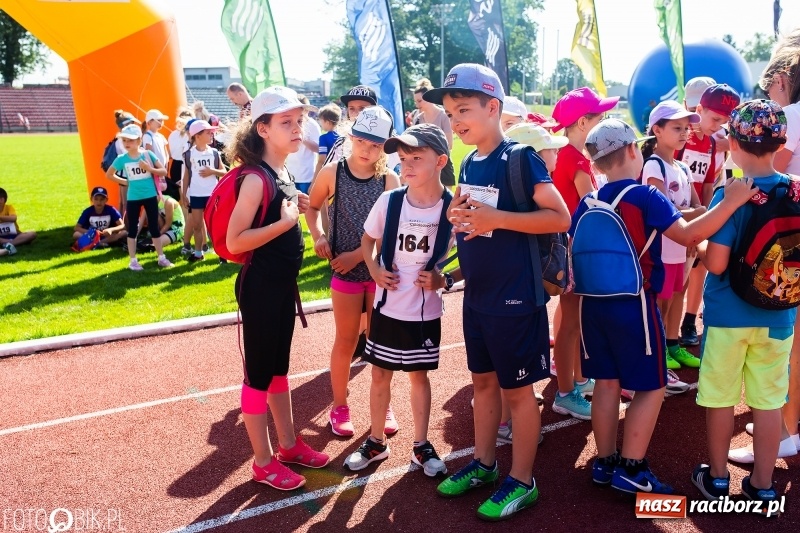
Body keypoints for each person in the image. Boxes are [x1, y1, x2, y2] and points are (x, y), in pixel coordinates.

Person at [573, 118, 756, 495]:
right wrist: (733, 201)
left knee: (606, 384)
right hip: (635, 305)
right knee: (653, 386)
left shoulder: (589, 200)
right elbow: (689, 235)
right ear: (629, 151)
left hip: (593, 305)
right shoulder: (644, 195)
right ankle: (633, 468)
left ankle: (605, 463)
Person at [426, 63, 571, 521]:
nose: (456, 121)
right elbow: (481, 225)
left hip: (516, 299)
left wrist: (498, 220)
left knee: (518, 393)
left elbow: (560, 217)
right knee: (483, 384)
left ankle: (522, 481)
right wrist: (461, 217)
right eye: (450, 113)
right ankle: (485, 465)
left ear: (494, 107)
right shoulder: (470, 162)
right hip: (480, 297)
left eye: (464, 109)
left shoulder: (520, 158)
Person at [691, 100, 795, 508]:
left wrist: (700, 242)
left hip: (728, 316)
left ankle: (717, 480)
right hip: (779, 316)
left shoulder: (732, 193)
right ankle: (763, 484)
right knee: (768, 402)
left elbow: (716, 261)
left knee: (719, 397)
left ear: (733, 142)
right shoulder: (797, 188)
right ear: (779, 142)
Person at [224, 86, 329, 490]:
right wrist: (285, 224)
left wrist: (294, 206)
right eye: (286, 122)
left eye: (299, 120)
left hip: (282, 288)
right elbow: (235, 242)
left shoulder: (281, 171)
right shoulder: (255, 178)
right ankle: (263, 462)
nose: (297, 128)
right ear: (263, 128)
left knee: (279, 371)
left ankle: (288, 445)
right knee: (258, 376)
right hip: (261, 291)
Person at [344, 123, 451, 476]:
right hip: (387, 309)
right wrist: (373, 269)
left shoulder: (452, 208)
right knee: (380, 376)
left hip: (424, 313)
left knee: (419, 377)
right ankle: (376, 442)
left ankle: (421, 446)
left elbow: (470, 253)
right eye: (403, 158)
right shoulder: (389, 200)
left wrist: (443, 278)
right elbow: (367, 240)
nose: (406, 165)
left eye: (416, 157)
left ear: (441, 162)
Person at [305, 106, 400, 438]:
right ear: (350, 137)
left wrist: (355, 256)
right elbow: (314, 207)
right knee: (345, 340)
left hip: (376, 273)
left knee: (378, 342)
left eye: (375, 144)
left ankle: (382, 404)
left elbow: (390, 233)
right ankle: (339, 405)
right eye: (361, 140)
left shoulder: (390, 180)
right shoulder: (333, 173)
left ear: (386, 146)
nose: (367, 149)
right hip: (344, 275)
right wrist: (317, 236)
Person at [549, 87, 618, 420]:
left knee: (574, 321)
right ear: (581, 123)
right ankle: (565, 392)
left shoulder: (569, 154)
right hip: (573, 249)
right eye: (599, 117)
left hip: (571, 246)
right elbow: (592, 205)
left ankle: (577, 379)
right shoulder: (575, 159)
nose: (603, 121)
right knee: (571, 324)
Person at [640, 100, 705, 371]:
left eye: (686, 128)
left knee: (678, 294)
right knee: (661, 302)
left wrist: (692, 221)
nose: (684, 133)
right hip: (661, 249)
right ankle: (656, 353)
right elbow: (663, 210)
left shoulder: (683, 167)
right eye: (677, 127)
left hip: (682, 246)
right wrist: (694, 212)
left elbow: (696, 207)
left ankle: (672, 345)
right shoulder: (653, 166)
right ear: (657, 130)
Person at [679, 80, 741, 348]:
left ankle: (688, 320)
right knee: (675, 276)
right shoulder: (680, 136)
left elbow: (706, 182)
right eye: (715, 119)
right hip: (676, 215)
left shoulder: (714, 143)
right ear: (698, 108)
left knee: (698, 266)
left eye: (723, 121)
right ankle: (666, 332)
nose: (718, 126)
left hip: (699, 213)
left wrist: (704, 219)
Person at [105, 124, 174, 270]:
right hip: (133, 198)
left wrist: (149, 168)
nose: (127, 143)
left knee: (154, 228)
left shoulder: (147, 155)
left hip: (150, 196)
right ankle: (133, 261)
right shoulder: (121, 159)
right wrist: (125, 182)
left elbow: (162, 171)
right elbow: (109, 174)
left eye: (130, 140)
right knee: (132, 229)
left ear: (139, 140)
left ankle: (161, 258)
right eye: (124, 140)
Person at [182, 119, 226, 262]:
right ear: (197, 136)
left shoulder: (214, 153)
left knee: (215, 225)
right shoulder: (189, 154)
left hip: (213, 194)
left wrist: (211, 171)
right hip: (196, 194)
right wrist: (184, 194)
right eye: (208, 132)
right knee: (197, 225)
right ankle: (198, 253)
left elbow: (224, 172)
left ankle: (222, 254)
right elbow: (187, 175)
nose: (212, 135)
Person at [411, 79, 455, 186]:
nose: (417, 105)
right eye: (415, 102)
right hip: (422, 166)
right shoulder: (417, 119)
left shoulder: (444, 116)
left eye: (420, 101)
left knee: (446, 200)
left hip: (442, 165)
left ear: (428, 98)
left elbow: (449, 145)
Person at [286, 94, 320, 195]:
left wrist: (302, 138)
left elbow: (319, 149)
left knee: (306, 206)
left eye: (305, 110)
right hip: (290, 173)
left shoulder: (312, 125)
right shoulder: (289, 124)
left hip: (306, 175)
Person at [166, 107, 193, 204]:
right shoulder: (188, 135)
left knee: (177, 196)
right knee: (186, 195)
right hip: (185, 165)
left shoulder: (172, 134)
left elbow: (169, 153)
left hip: (175, 166)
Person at [0, 187, 37, 254]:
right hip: (1, 237)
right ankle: (17, 242)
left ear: (2, 200)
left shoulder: (9, 208)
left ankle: (10, 244)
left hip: (15, 235)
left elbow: (13, 218)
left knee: (32, 234)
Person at [142, 109, 170, 194]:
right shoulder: (147, 135)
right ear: (149, 122)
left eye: (162, 121)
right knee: (156, 193)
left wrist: (165, 168)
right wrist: (156, 168)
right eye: (158, 120)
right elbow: (149, 152)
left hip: (162, 171)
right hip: (155, 171)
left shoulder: (161, 136)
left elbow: (166, 153)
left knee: (162, 192)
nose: (161, 123)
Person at [315, 104, 341, 178]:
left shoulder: (323, 138)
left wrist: (314, 181)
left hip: (328, 174)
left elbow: (321, 160)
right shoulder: (342, 137)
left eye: (321, 121)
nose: (320, 124)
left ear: (327, 122)